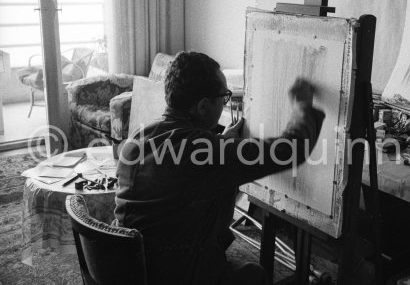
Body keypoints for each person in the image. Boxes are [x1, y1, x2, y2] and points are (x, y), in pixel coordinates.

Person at [114, 51, 325, 285]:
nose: (226, 101)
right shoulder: (205, 153)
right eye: (224, 97)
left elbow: (185, 165)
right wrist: (302, 105)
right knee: (255, 275)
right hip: (177, 273)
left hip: (131, 268)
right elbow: (289, 150)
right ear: (204, 106)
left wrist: (221, 141)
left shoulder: (139, 138)